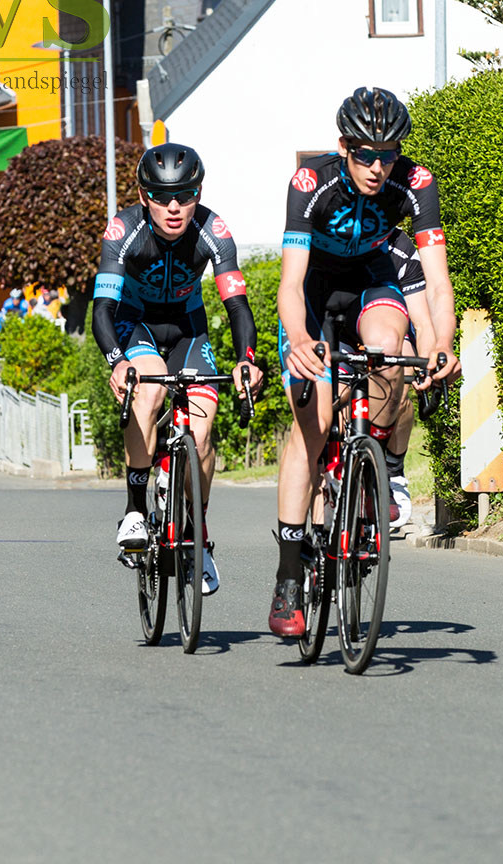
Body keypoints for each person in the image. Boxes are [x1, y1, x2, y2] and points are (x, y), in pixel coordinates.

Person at [270, 86, 460, 637]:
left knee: (391, 351)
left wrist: (441, 343)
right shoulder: (313, 183)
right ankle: (287, 576)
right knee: (314, 423)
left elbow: (437, 281)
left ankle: (374, 467)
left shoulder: (416, 183)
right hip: (315, 297)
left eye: (389, 153)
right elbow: (289, 282)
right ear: (344, 147)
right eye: (365, 154)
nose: (378, 167)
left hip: (374, 284)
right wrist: (301, 339)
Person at [92, 142, 264, 594]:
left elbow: (237, 306)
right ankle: (134, 509)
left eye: (186, 196)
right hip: (136, 324)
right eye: (162, 196)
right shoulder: (122, 229)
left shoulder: (213, 229)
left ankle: (198, 538)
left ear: (198, 193)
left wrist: (245, 362)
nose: (174, 207)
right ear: (144, 196)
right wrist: (117, 362)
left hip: (189, 328)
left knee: (203, 430)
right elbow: (102, 310)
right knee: (147, 392)